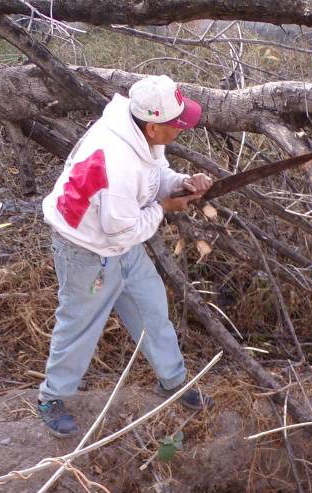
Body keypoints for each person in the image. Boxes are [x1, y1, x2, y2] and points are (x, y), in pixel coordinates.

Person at [36, 74, 215, 436]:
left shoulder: (140, 134)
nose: (181, 130)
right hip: (86, 251)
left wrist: (180, 183)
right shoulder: (116, 159)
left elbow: (155, 174)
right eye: (176, 125)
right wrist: (164, 207)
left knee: (152, 307)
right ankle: (51, 398)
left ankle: (172, 381)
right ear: (152, 126)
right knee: (79, 323)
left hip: (121, 244)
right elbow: (122, 226)